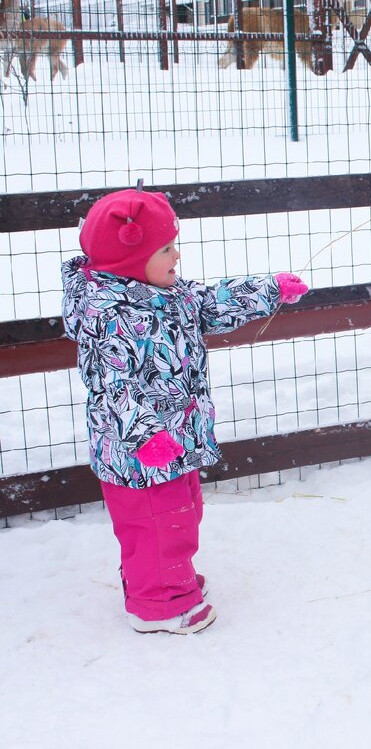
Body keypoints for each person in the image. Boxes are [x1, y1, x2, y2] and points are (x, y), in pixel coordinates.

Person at [61, 186, 309, 634]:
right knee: (157, 525)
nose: (177, 254)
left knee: (182, 514)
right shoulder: (109, 317)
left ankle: (161, 580)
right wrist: (145, 438)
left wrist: (269, 290)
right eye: (165, 248)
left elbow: (212, 302)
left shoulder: (166, 294)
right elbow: (111, 389)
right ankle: (159, 605)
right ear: (130, 260)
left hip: (174, 438)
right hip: (139, 454)